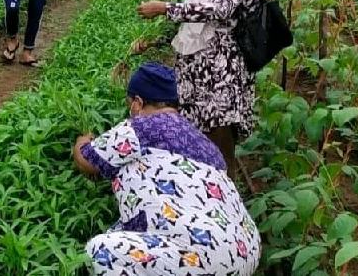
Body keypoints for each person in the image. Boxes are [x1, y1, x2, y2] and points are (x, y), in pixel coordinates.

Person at [73, 63, 260, 275]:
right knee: (122, 234)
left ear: (137, 103)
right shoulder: (209, 147)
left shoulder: (141, 127)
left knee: (99, 252)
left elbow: (87, 160)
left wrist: (82, 140)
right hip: (246, 249)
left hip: (204, 254)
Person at [135, 0, 272, 178]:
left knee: (219, 146)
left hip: (222, 77)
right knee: (202, 145)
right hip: (204, 79)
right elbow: (195, 20)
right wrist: (159, 37)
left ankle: (225, 205)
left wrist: (165, 8)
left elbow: (221, 9)